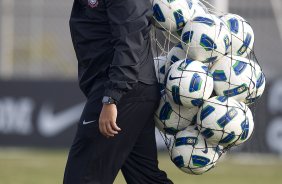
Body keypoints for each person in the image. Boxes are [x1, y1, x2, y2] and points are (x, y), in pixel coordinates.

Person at [63, 0, 173, 183]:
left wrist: (111, 98)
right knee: (146, 178)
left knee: (82, 178)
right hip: (128, 89)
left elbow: (129, 42)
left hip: (122, 90)